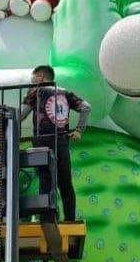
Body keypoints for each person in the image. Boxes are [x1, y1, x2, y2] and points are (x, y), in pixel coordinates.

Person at [21, 64, 90, 222]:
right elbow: (86, 107)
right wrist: (79, 130)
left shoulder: (36, 91)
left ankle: (48, 219)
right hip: (62, 142)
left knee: (46, 180)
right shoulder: (65, 92)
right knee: (65, 183)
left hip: (43, 143)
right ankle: (70, 220)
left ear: (40, 77)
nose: (32, 83)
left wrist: (7, 123)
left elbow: (22, 115)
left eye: (33, 79)